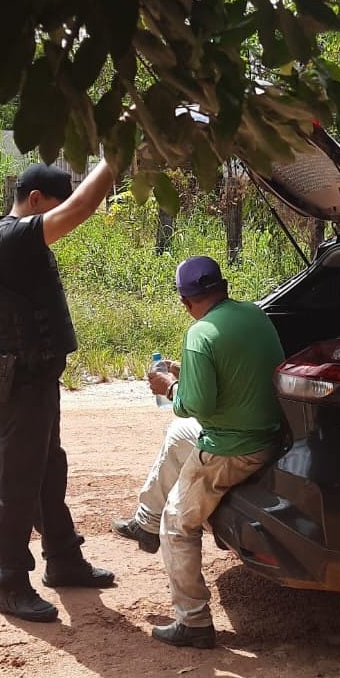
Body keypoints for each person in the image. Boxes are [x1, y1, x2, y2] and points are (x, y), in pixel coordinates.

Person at [112, 256, 285, 648]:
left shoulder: (200, 334)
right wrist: (182, 370)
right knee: (177, 436)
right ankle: (145, 520)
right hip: (267, 435)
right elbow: (233, 374)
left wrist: (170, 387)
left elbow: (197, 404)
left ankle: (193, 622)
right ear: (222, 288)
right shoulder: (253, 315)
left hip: (233, 449)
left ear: (185, 301)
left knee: (178, 524)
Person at [0, 161, 118, 623]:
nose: (54, 224)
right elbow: (81, 209)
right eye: (51, 209)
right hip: (19, 383)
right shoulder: (13, 238)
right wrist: (114, 159)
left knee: (47, 470)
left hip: (33, 378)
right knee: (16, 482)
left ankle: (63, 560)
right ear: (35, 200)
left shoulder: (5, 236)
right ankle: (10, 582)